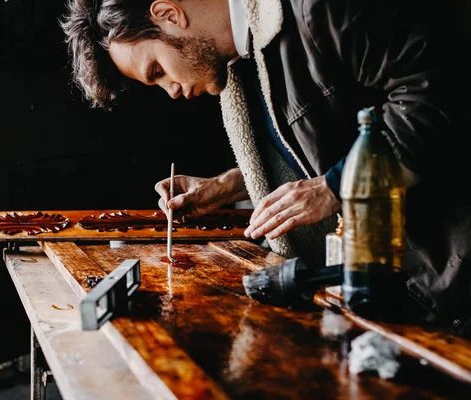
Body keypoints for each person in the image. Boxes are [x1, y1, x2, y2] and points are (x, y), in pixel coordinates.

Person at [61, 0, 471, 337]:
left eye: (157, 71)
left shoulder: (315, 9)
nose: (171, 91)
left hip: (455, 277)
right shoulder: (246, 60)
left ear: (170, 13)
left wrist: (332, 188)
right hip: (403, 288)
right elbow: (321, 147)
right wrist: (228, 185)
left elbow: (436, 95)